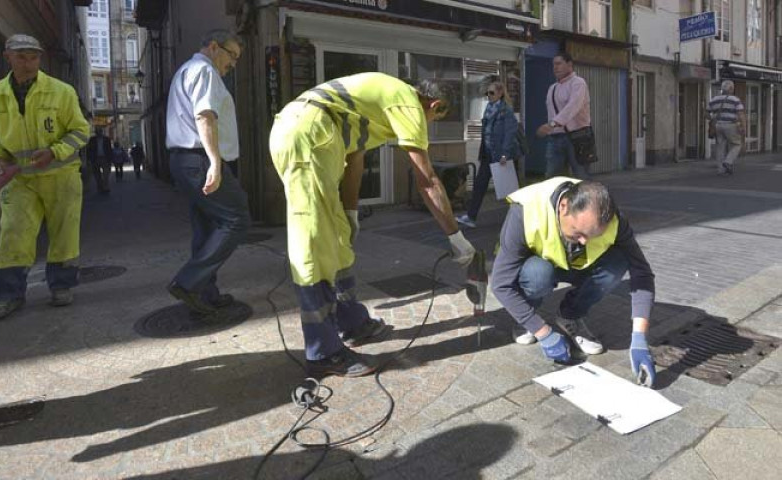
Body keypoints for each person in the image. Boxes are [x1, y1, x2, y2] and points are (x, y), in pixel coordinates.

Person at [269, 72, 478, 378]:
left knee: (336, 238)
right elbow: (427, 180)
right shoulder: (408, 103)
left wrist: (351, 212)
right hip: (309, 136)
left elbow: (355, 157)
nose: (428, 124)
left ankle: (353, 322)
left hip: (313, 134)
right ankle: (324, 352)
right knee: (313, 244)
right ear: (433, 103)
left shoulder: (380, 101)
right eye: (434, 116)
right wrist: (455, 235)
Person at [490, 178, 658, 386]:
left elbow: (642, 274)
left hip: (576, 266)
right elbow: (499, 283)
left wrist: (640, 338)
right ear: (563, 207)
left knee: (617, 264)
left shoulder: (614, 220)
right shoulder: (526, 210)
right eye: (578, 232)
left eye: (591, 235)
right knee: (538, 275)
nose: (584, 241)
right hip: (539, 267)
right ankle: (527, 318)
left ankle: (569, 315)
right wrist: (544, 333)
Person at [0, 34, 90, 319]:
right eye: (22, 57)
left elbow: (80, 131)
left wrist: (55, 151)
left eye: (33, 57)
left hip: (60, 174)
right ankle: (7, 295)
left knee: (63, 232)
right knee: (13, 231)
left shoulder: (61, 91)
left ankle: (61, 286)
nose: (28, 63)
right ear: (8, 57)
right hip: (18, 179)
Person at [164, 29, 251, 314]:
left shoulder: (186, 70)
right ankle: (188, 283)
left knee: (206, 226)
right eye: (232, 55)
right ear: (214, 47)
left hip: (185, 161)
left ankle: (204, 293)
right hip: (200, 159)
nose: (233, 64)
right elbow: (204, 115)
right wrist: (215, 162)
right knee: (237, 219)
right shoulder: (205, 70)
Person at [456, 81, 518, 228]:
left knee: (508, 190)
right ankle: (471, 217)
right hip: (487, 154)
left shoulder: (506, 110)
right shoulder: (488, 108)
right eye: (487, 93)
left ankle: (518, 219)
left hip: (500, 155)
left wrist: (505, 154)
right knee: (479, 185)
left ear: (500, 93)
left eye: (492, 93)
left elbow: (510, 133)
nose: (489, 96)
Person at [536, 52, 591, 179]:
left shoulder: (578, 83)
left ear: (569, 64)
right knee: (551, 178)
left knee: (580, 177)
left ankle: (585, 199)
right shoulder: (552, 88)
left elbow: (572, 107)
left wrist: (551, 124)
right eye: (553, 65)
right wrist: (550, 128)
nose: (555, 67)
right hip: (555, 138)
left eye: (559, 64)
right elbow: (552, 113)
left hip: (578, 136)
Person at [708, 80, 746, 176]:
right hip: (731, 125)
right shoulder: (735, 99)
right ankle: (728, 162)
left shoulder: (714, 99)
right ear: (730, 89)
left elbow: (706, 113)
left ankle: (721, 170)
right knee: (736, 144)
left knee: (720, 147)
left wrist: (713, 118)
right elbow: (740, 114)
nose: (733, 90)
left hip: (718, 126)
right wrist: (743, 126)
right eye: (732, 88)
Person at [86, 129, 113, 193]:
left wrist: (110, 159)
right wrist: (89, 159)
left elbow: (109, 149)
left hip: (105, 158)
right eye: (97, 132)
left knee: (106, 174)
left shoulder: (106, 139)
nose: (99, 133)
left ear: (102, 132)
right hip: (95, 159)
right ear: (96, 133)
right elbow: (89, 150)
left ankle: (105, 187)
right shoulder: (92, 140)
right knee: (97, 175)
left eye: (100, 132)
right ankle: (100, 187)